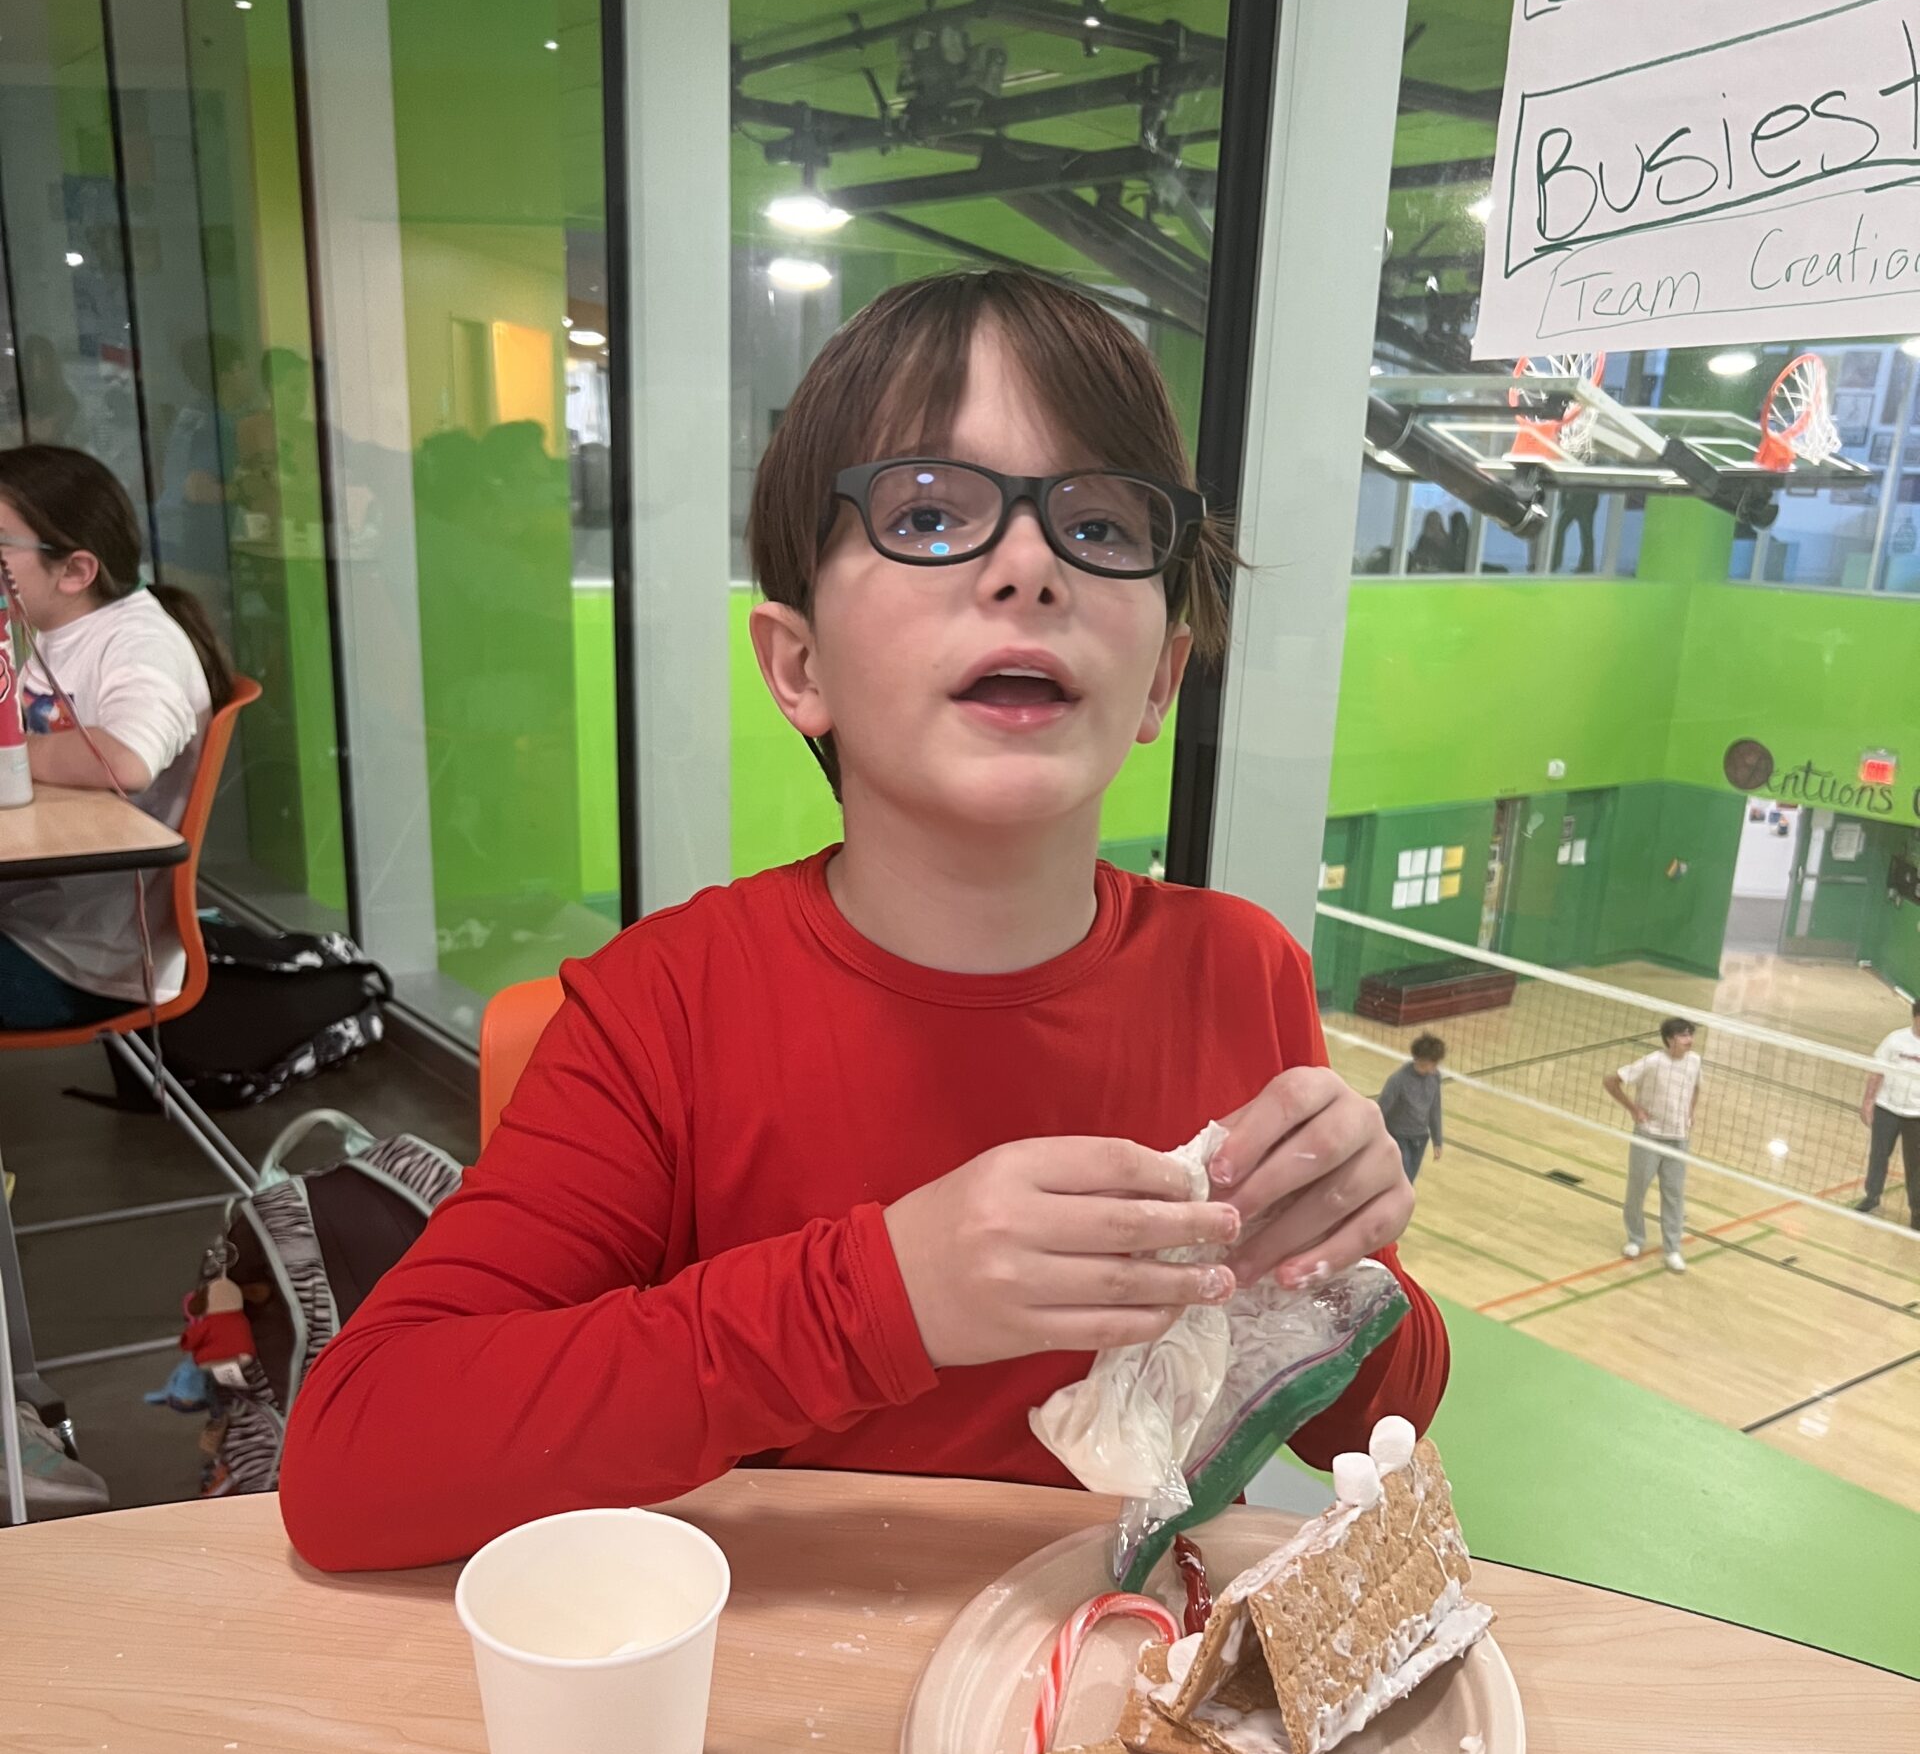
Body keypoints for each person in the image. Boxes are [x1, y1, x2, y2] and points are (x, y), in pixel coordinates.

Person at [279, 269, 1446, 1572]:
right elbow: (356, 1457)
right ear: (800, 666)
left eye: (1104, 527)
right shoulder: (667, 1009)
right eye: (932, 513)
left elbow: (1371, 1413)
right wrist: (886, 1294)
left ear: (1163, 675)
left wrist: (1349, 1268)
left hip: (1113, 1687)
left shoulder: (1239, 968)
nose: (1028, 568)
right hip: (771, 1714)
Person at [0, 445, 233, 1030]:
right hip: (38, 920)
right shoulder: (55, 629)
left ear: (76, 570)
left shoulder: (137, 644)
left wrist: (14, 757)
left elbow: (126, 760)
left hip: (87, 961)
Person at [1603, 1017, 1699, 1273]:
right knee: (1637, 1190)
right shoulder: (1652, 1062)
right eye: (1683, 1035)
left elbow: (1695, 1088)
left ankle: (1673, 1249)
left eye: (1690, 1034)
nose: (1689, 1040)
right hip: (1649, 1136)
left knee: (1674, 1194)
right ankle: (1635, 1239)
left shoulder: (1694, 1061)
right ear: (1670, 1039)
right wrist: (1633, 1109)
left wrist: (1690, 1114)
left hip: (1678, 1139)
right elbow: (1611, 1081)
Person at [1854, 998, 1920, 1226]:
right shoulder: (1895, 1040)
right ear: (1915, 1017)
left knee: (1916, 1166)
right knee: (1879, 1155)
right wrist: (1868, 1102)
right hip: (1887, 1109)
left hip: (1916, 1115)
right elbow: (1877, 1072)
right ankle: (1872, 1196)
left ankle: (1917, 1212)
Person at [1376, 1034, 1445, 1181]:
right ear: (1421, 1060)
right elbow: (1380, 1109)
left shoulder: (1435, 1077)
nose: (1435, 1067)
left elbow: (1435, 1108)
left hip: (1420, 1138)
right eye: (1432, 1063)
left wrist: (1437, 1140)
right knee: (1401, 1178)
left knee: (1408, 1181)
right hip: (1398, 1136)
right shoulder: (1398, 1080)